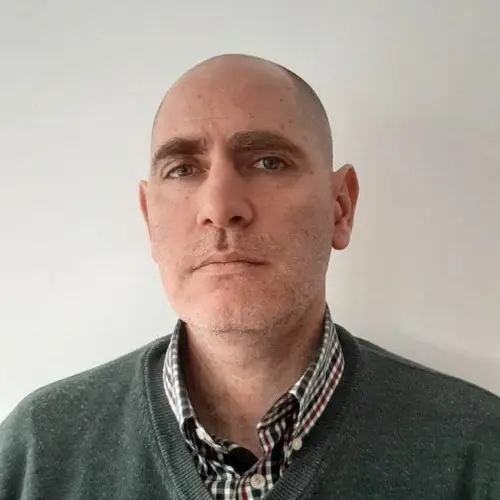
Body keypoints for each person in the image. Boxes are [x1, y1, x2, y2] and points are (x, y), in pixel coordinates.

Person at [1, 54, 499, 500]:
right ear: (149, 218)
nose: (220, 207)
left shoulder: (476, 451)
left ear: (340, 208)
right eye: (182, 169)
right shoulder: (38, 451)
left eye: (268, 161)